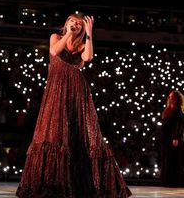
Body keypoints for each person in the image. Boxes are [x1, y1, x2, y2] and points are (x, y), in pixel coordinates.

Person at [16, 13, 132, 197]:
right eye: (72, 21)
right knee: (55, 132)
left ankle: (83, 183)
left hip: (77, 91)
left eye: (79, 23)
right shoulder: (56, 37)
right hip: (57, 90)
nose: (75, 24)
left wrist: (89, 33)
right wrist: (68, 34)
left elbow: (89, 56)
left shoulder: (82, 43)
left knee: (81, 133)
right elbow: (55, 52)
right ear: (66, 23)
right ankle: (54, 183)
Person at [160, 90, 184, 187]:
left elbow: (179, 125)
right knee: (167, 159)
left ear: (175, 99)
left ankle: (174, 182)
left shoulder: (178, 110)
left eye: (171, 97)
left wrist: (175, 137)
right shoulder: (169, 109)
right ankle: (167, 181)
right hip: (166, 138)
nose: (169, 98)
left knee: (174, 160)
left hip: (174, 138)